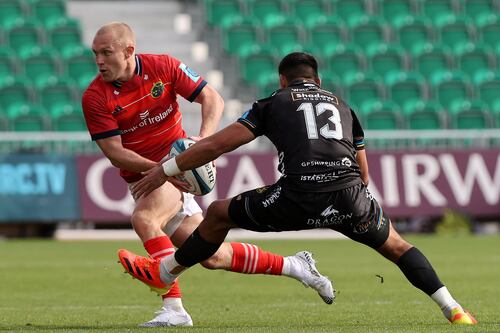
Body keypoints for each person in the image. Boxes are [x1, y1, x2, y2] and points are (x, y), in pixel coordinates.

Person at [122, 52, 477, 325]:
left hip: (298, 195)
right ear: (317, 80)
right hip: (352, 197)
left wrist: (165, 170)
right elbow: (364, 174)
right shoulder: (343, 106)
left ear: (282, 79)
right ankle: (454, 309)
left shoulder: (274, 102)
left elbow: (217, 146)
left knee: (217, 213)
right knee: (399, 247)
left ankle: (165, 272)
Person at [82, 24, 333, 327]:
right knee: (213, 256)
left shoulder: (164, 66)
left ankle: (174, 309)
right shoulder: (95, 97)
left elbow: (212, 98)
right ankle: (295, 266)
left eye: (106, 53)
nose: (99, 61)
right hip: (150, 175)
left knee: (145, 219)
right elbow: (114, 153)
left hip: (175, 168)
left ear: (129, 51)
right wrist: (158, 171)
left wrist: (201, 143)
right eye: (95, 54)